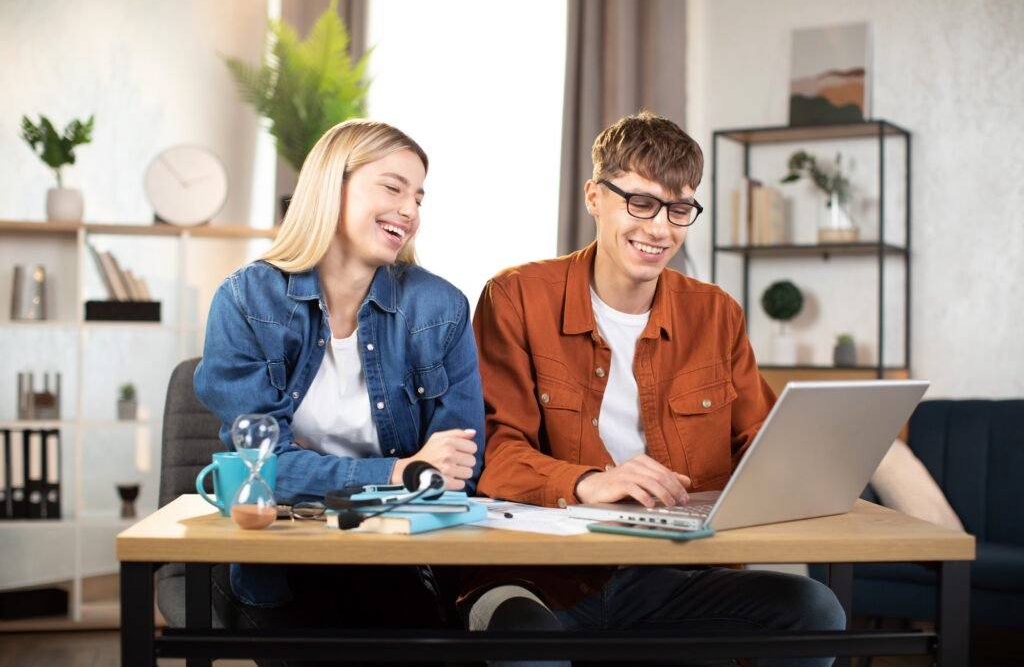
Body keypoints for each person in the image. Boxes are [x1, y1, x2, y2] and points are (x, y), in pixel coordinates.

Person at [467, 112, 846, 666]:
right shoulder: (517, 297)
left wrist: (809, 467)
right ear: (595, 196)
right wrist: (588, 481)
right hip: (542, 575)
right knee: (525, 639)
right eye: (640, 202)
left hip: (671, 575)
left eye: (679, 208)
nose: (660, 228)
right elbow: (493, 452)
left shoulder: (715, 312)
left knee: (815, 610)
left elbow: (760, 443)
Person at [193, 119, 484, 654]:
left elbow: (458, 471)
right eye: (393, 187)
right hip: (280, 557)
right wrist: (398, 471)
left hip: (393, 558)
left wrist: (307, 468)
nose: (410, 210)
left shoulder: (440, 309)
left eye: (419, 196)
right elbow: (259, 473)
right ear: (333, 184)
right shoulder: (245, 301)